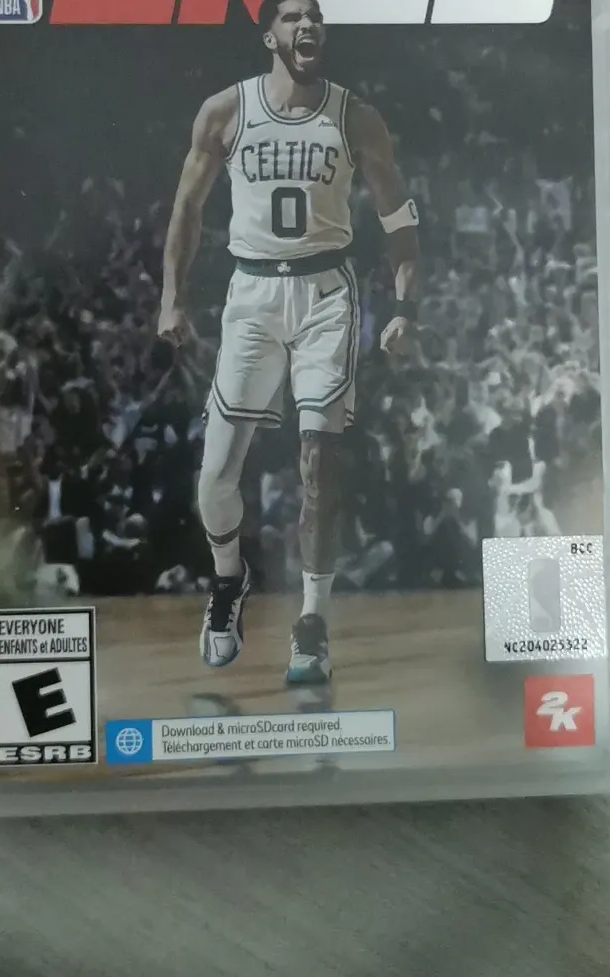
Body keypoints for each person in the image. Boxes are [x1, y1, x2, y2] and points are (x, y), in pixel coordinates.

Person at [158, 0, 420, 683]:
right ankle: (228, 579)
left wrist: (404, 307)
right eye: (293, 16)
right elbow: (187, 207)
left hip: (326, 292)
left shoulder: (355, 116)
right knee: (216, 474)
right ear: (268, 34)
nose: (308, 26)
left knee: (319, 461)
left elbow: (399, 217)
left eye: (316, 17)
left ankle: (311, 623)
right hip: (252, 293)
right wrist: (171, 296)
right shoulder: (226, 110)